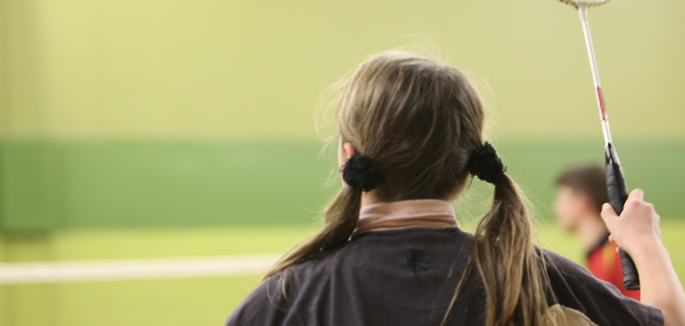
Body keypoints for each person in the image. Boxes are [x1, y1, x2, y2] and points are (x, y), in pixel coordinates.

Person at [225, 51, 685, 325]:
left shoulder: (286, 299)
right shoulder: (531, 275)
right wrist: (645, 245)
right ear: (470, 169)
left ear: (348, 156)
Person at [553, 164, 640, 300]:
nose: (556, 207)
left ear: (581, 201)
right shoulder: (602, 252)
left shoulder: (613, 255)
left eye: (561, 199)